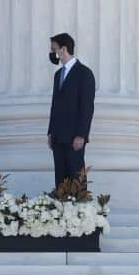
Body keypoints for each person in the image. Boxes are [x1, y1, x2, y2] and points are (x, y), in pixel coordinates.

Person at [46, 32, 96, 191]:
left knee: (77, 179)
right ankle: (62, 211)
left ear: (63, 49)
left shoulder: (84, 73)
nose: (52, 52)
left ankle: (80, 212)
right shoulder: (57, 75)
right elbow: (55, 105)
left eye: (54, 49)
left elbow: (87, 107)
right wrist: (50, 132)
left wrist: (82, 134)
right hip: (58, 137)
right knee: (61, 180)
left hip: (74, 137)